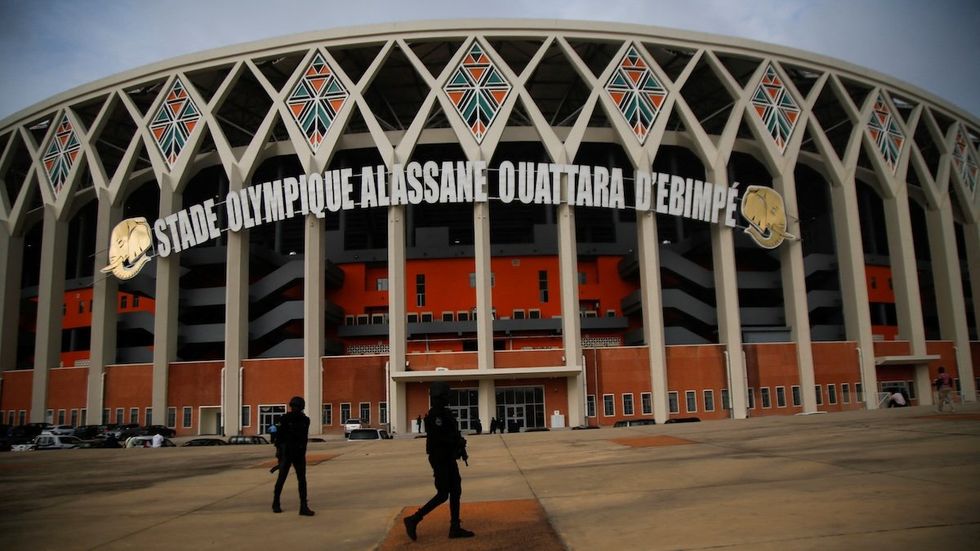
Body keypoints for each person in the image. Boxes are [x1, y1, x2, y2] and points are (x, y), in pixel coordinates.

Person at [404, 382, 474, 541]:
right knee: (443, 494)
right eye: (446, 395)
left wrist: (460, 446)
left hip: (448, 457)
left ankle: (455, 527)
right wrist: (456, 443)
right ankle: (414, 519)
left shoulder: (445, 414)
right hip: (440, 458)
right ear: (439, 397)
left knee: (456, 490)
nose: (449, 398)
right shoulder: (435, 416)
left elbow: (453, 434)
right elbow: (439, 439)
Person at [272, 396, 315, 516]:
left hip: (295, 453)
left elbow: (279, 438)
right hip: (291, 453)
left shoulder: (302, 420)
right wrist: (280, 452)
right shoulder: (293, 419)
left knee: (295, 480)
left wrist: (279, 451)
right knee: (292, 479)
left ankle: (301, 505)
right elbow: (280, 438)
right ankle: (278, 503)